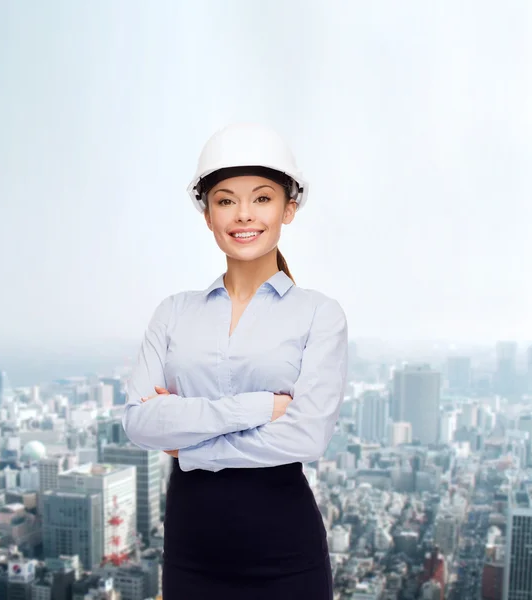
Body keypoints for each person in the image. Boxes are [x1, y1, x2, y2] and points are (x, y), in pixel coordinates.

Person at [122, 122, 348, 599]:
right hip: (190, 554)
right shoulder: (173, 312)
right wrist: (261, 407)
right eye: (225, 200)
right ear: (207, 215)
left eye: (262, 198)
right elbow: (141, 422)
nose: (243, 214)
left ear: (289, 208)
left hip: (288, 555)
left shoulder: (318, 314)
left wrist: (191, 447)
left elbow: (307, 434)